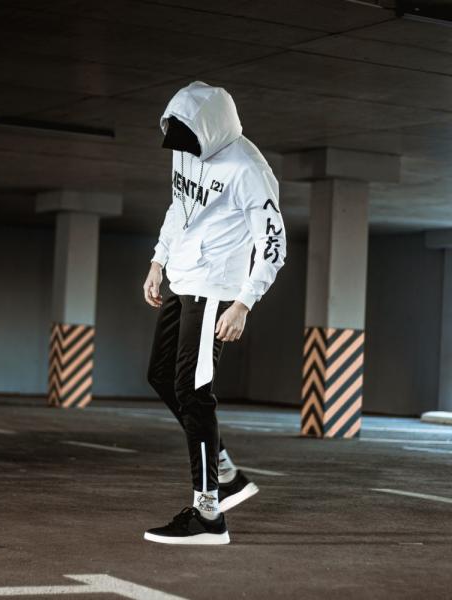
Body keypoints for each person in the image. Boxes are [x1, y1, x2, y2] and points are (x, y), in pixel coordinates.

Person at [143, 81, 287, 545]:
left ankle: (209, 514)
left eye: (188, 140)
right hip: (182, 279)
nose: (181, 149)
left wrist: (243, 303)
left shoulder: (249, 169)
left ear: (209, 130)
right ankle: (225, 473)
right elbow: (179, 207)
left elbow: (273, 244)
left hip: (215, 290)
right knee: (161, 377)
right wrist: (158, 261)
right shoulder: (184, 150)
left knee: (193, 391)